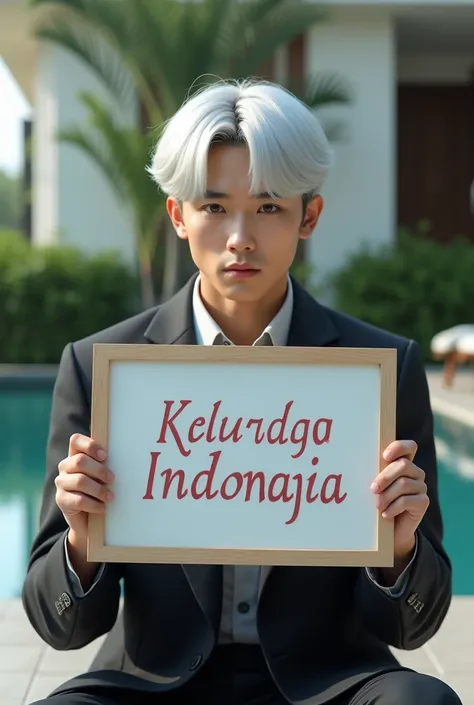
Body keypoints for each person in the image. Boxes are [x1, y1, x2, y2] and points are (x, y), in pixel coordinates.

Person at [22, 78, 461, 705]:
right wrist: (81, 544)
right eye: (214, 206)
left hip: (331, 679)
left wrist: (396, 549)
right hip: (152, 680)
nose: (240, 237)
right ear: (178, 215)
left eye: (269, 207)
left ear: (309, 215)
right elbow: (59, 625)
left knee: (422, 702)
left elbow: (413, 626)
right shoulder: (101, 369)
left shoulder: (382, 371)